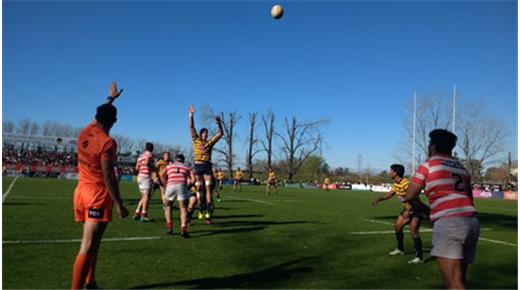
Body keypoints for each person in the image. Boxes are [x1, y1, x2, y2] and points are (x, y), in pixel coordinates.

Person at [403, 129, 479, 289]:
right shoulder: (461, 168)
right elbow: (469, 199)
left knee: (453, 282)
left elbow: (409, 195)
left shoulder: (428, 165)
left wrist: (426, 209)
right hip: (471, 222)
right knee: (459, 279)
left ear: (433, 145)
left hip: (450, 223)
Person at [71, 82, 129, 289]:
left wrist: (110, 99)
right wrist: (120, 204)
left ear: (96, 118)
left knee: (94, 243)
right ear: (114, 121)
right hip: (96, 195)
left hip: (80, 192)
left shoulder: (86, 132)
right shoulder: (107, 142)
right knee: (87, 245)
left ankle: (90, 282)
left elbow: (100, 114)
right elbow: (108, 177)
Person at [371, 164, 429, 264]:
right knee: (397, 227)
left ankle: (419, 257)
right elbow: (390, 194)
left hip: (416, 209)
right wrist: (380, 199)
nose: (389, 173)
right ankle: (400, 249)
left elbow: (414, 196)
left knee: (413, 230)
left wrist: (410, 209)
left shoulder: (406, 183)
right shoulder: (396, 183)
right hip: (407, 210)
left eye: (391, 171)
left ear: (395, 173)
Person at [189, 105, 223, 223]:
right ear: (201, 133)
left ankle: (208, 208)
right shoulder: (196, 140)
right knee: (199, 188)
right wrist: (191, 115)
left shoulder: (210, 143)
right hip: (198, 165)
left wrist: (219, 124)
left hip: (207, 165)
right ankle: (200, 208)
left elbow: (220, 134)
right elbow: (191, 126)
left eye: (207, 133)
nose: (206, 134)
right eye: (204, 133)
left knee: (208, 187)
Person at [161, 154, 194, 237]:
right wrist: (188, 187)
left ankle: (169, 228)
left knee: (168, 206)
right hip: (182, 185)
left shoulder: (169, 166)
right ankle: (183, 228)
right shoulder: (186, 167)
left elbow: (162, 175)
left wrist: (165, 186)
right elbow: (193, 179)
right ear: (183, 160)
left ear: (176, 160)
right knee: (183, 208)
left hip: (170, 185)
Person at [133, 143, 155, 222]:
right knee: (146, 196)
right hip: (145, 176)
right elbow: (146, 163)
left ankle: (137, 212)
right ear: (152, 149)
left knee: (144, 196)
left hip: (139, 176)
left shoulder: (140, 156)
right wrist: (153, 168)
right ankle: (144, 214)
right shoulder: (149, 154)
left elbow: (136, 168)